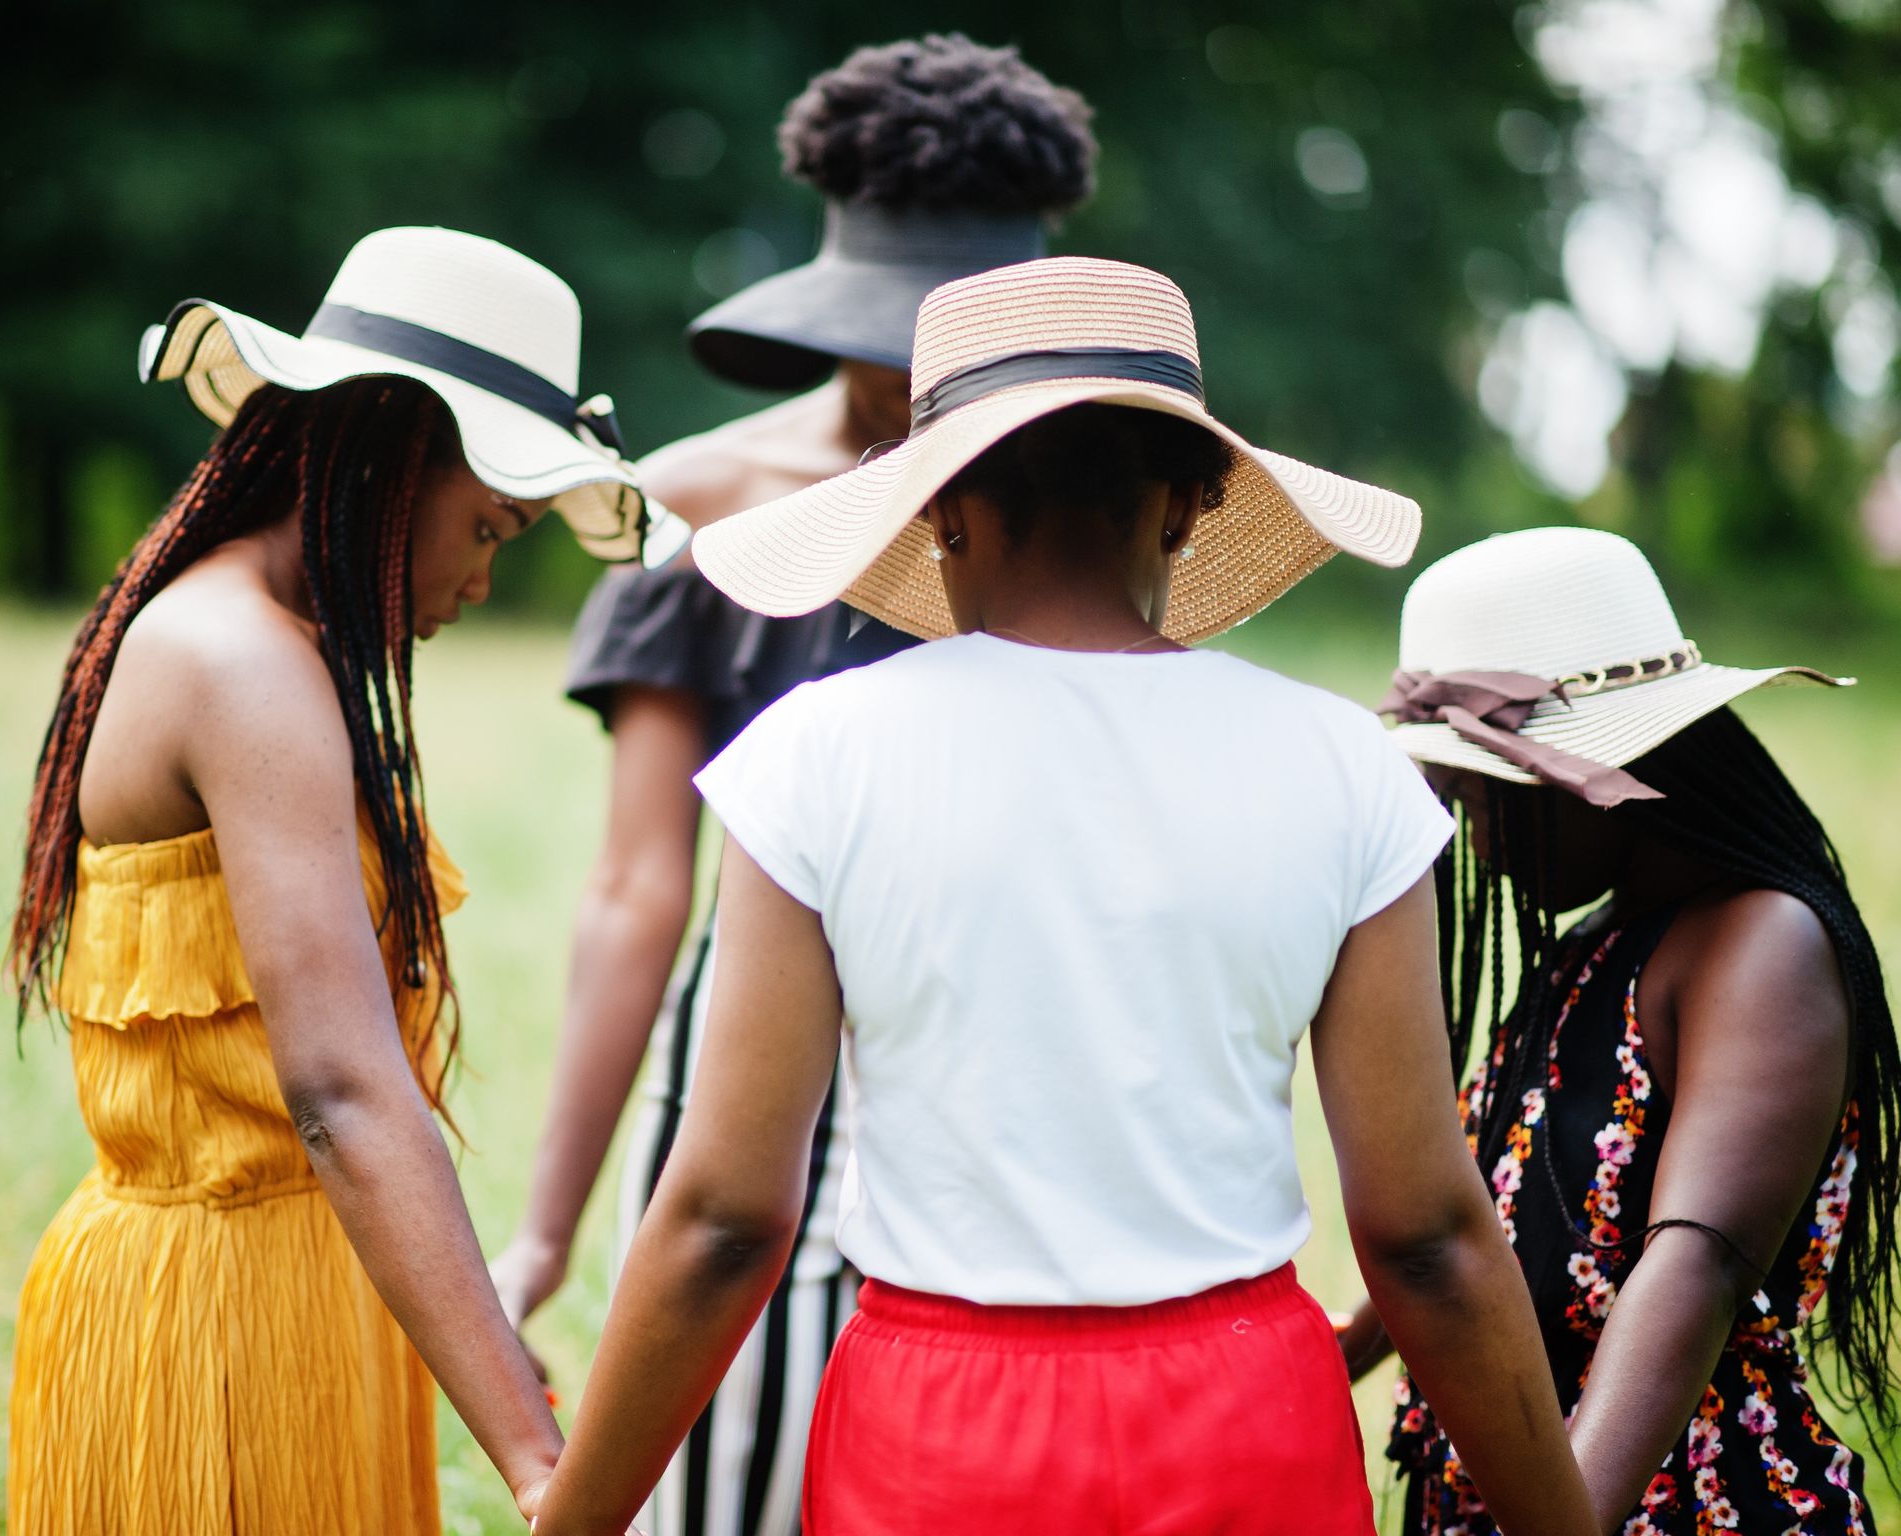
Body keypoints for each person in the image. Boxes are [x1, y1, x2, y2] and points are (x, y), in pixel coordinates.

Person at [531, 257, 1597, 1536]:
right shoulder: (1341, 763)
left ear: (935, 508)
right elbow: (1426, 1235)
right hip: (1246, 1419)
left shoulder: (816, 754)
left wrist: (574, 1520)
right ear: (1195, 504)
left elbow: (721, 1221)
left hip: (937, 1437)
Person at [489, 37, 1096, 1536]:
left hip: (1008, 1075)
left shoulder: (1090, 517)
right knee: (725, 1487)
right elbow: (639, 885)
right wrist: (550, 1237)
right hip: (758, 1079)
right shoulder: (698, 510)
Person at [4, 226, 675, 1535]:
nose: (485, 580)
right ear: (388, 453)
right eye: (487, 528)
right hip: (214, 1328)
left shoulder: (261, 644)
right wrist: (540, 1461)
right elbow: (343, 1092)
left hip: (312, 1296)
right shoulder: (242, 663)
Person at [1358, 526, 1894, 1533]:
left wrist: (1562, 1516)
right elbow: (1483, 1219)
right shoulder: (1599, 948)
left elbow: (1693, 1269)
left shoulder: (1761, 946)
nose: (1474, 835)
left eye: (1486, 798)